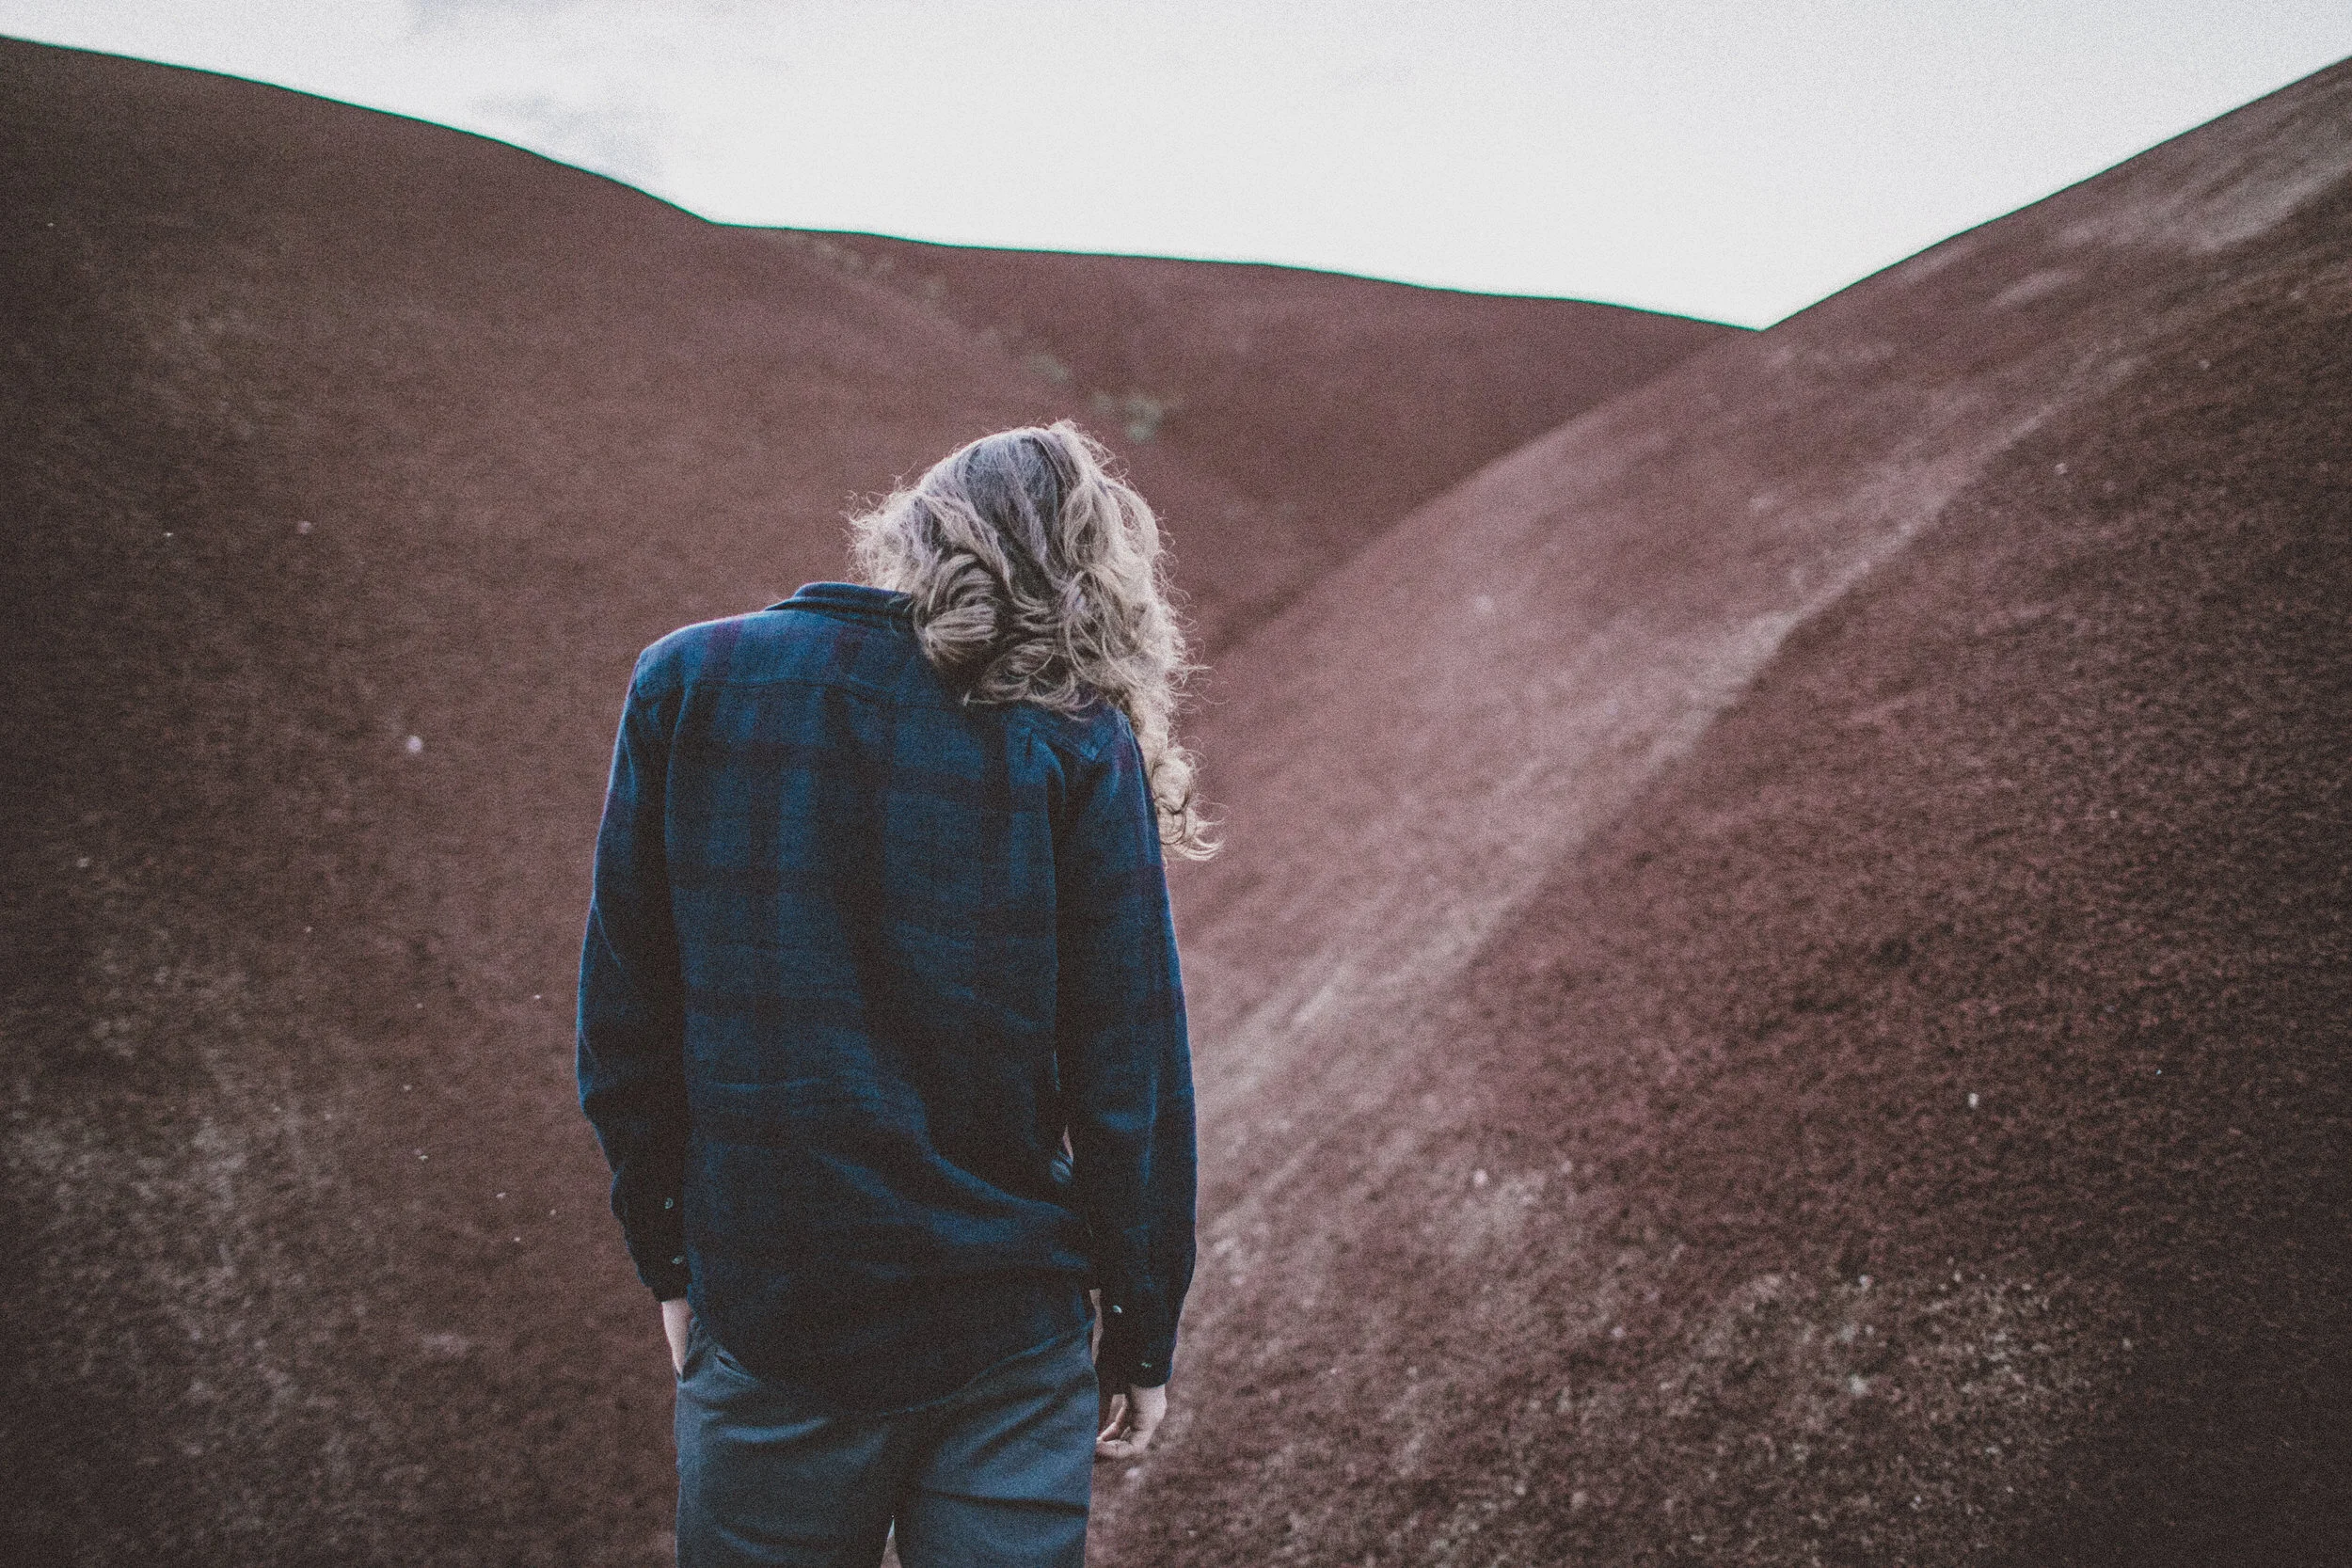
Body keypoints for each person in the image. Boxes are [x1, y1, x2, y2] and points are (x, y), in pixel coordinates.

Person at [577, 423, 1208, 1568]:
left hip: (775, 1306)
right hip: (1004, 1331)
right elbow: (1131, 1074)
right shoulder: (1073, 741)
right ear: (1084, 578)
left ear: (914, 531)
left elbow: (628, 1021)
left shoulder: (690, 682)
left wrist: (670, 1261)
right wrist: (1140, 1327)